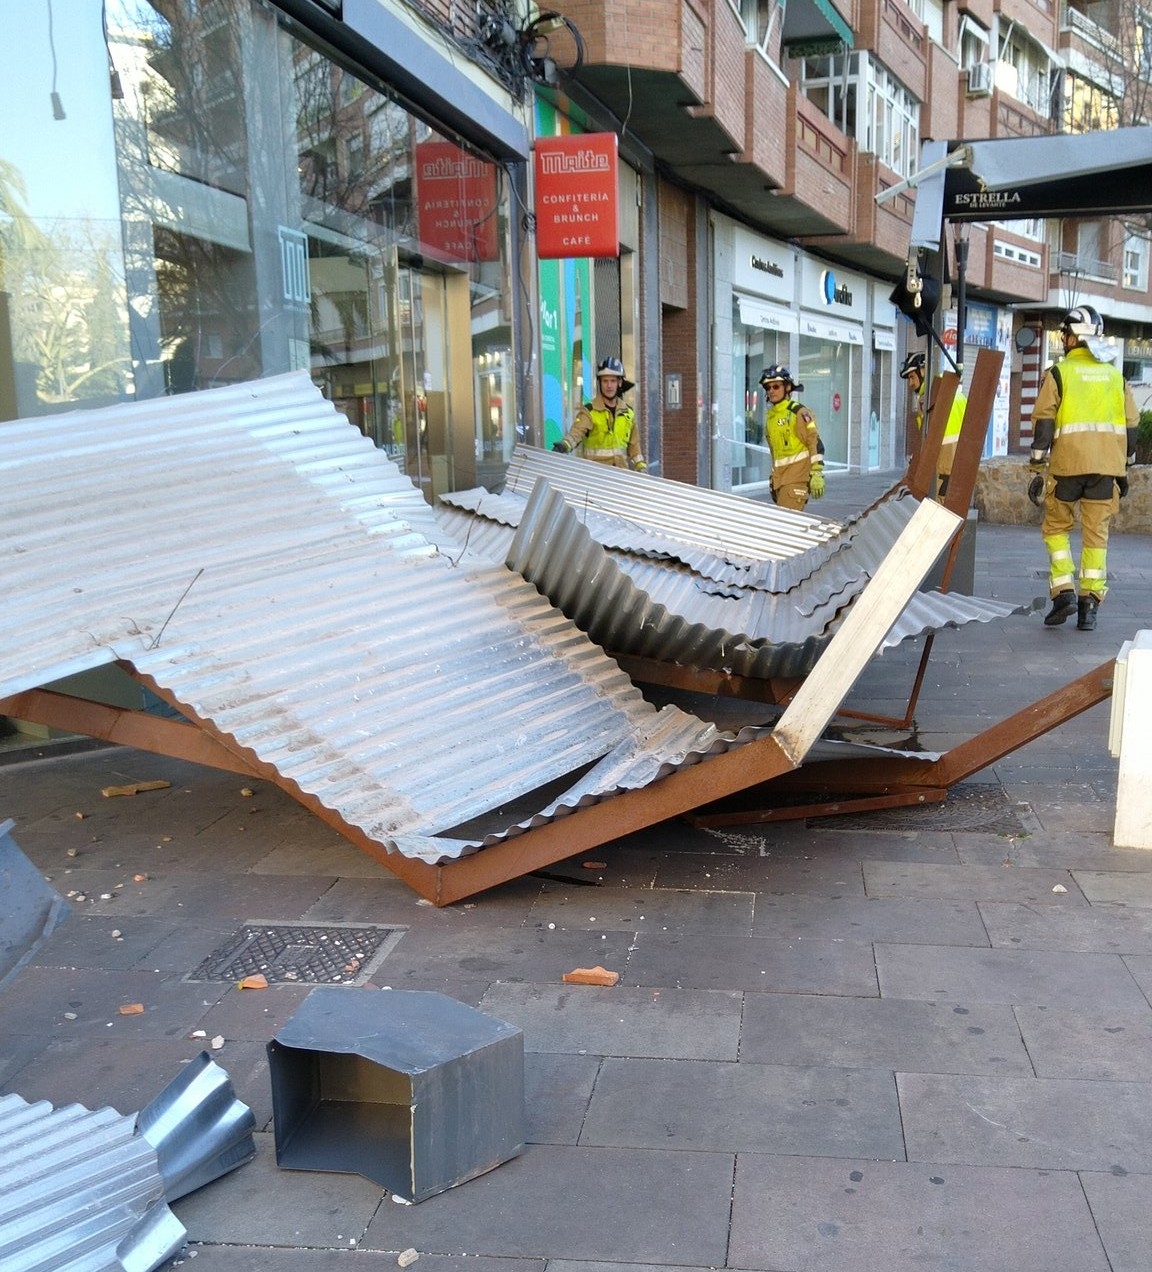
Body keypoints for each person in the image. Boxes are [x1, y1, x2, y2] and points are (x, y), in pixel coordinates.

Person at [1028, 305, 1138, 631]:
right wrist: (1125, 469)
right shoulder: (1115, 376)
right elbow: (1130, 426)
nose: (1062, 339)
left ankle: (1064, 594)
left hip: (1066, 468)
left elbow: (1044, 422)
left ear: (1072, 337)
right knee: (1096, 536)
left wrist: (1036, 467)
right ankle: (1089, 607)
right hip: (1106, 470)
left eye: (1064, 334)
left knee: (1056, 529)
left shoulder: (1059, 373)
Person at [553, 357, 647, 470]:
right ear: (600, 383)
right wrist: (565, 445)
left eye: (613, 381)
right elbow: (576, 433)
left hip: (621, 475)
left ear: (620, 383)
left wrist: (640, 466)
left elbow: (634, 445)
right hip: (595, 476)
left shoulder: (628, 413)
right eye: (605, 381)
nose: (609, 386)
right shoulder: (590, 411)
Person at [899, 351, 968, 500]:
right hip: (962, 453)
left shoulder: (930, 398)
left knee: (941, 501)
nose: (910, 384)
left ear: (923, 371)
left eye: (912, 377)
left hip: (945, 454)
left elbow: (928, 433)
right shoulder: (950, 390)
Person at [759, 365, 823, 511]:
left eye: (776, 386)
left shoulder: (798, 413)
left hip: (796, 480)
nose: (771, 391)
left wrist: (817, 472)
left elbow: (815, 442)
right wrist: (773, 477)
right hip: (780, 482)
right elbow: (776, 453)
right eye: (768, 388)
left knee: (785, 529)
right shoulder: (771, 418)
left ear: (787, 388)